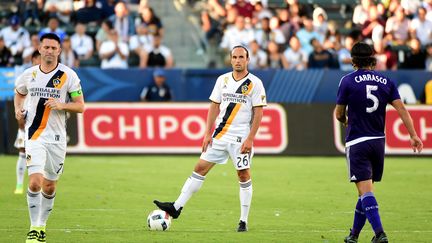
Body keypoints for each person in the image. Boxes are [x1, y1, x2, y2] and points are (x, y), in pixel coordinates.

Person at [154, 46, 267, 232]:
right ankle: (176, 207)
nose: (238, 60)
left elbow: (259, 113)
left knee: (243, 175)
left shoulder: (255, 83)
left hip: (241, 139)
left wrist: (250, 139)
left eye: (241, 57)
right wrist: (207, 133)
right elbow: (214, 106)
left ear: (247, 60)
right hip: (220, 136)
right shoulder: (222, 80)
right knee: (199, 168)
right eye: (235, 57)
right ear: (230, 60)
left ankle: (243, 221)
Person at [334, 42, 423, 243]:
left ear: (353, 60)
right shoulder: (386, 81)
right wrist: (414, 134)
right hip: (378, 142)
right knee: (365, 191)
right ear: (372, 58)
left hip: (357, 141)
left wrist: (345, 121)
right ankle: (354, 235)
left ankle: (380, 233)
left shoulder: (347, 81)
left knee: (365, 191)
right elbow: (402, 110)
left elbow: (339, 113)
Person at [14, 33, 85, 243]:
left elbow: (80, 106)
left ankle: (42, 225)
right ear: (39, 49)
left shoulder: (68, 75)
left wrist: (62, 104)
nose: (50, 51)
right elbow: (19, 93)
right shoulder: (29, 74)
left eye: (54, 48)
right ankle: (34, 228)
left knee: (50, 186)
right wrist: (18, 109)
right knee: (35, 183)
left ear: (59, 51)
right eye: (46, 47)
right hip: (35, 135)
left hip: (57, 138)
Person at [13, 50, 41, 195]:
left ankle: (39, 184)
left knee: (41, 155)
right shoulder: (26, 77)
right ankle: (19, 184)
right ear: (33, 59)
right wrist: (20, 121)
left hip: (42, 124)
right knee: (22, 153)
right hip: (26, 120)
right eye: (38, 58)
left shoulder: (48, 77)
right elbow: (18, 97)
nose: (40, 61)